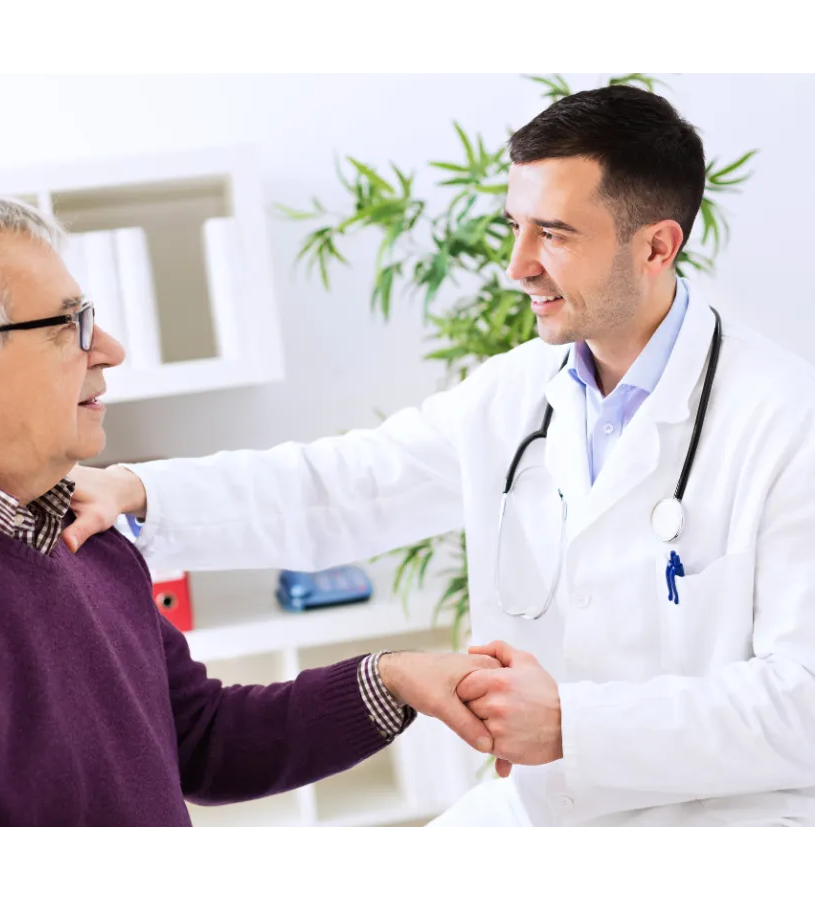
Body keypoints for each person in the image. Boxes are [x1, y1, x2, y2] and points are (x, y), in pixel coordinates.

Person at [64, 85, 815, 832]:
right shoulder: (515, 393)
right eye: (514, 227)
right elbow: (343, 485)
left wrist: (572, 725)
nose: (517, 266)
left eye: (553, 235)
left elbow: (803, 704)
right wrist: (136, 491)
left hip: (728, 825)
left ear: (656, 246)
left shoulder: (785, 420)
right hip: (544, 812)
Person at [0, 196, 504, 830]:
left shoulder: (81, 533)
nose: (109, 349)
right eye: (69, 326)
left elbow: (199, 736)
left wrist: (392, 680)